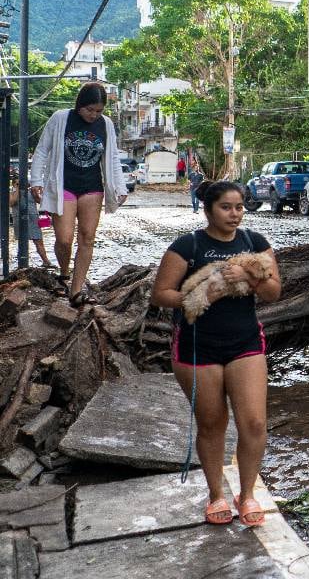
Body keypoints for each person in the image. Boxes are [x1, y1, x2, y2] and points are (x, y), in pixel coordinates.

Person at [150, 180, 281, 527]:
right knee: (212, 424)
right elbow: (160, 294)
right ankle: (216, 496)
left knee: (253, 422)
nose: (234, 214)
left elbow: (273, 292)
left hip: (245, 344)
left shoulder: (255, 243)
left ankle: (248, 494)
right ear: (208, 209)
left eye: (239, 207)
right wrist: (202, 294)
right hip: (197, 346)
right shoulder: (188, 245)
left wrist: (249, 278)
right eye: (226, 207)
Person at [30, 82, 130, 306]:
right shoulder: (60, 118)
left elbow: (112, 157)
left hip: (92, 187)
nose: (94, 115)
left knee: (87, 237)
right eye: (90, 110)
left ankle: (76, 291)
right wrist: (36, 180)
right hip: (63, 185)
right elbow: (42, 149)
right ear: (79, 105)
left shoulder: (106, 124)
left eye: (99, 111)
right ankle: (64, 272)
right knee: (64, 239)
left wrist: (120, 187)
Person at [8, 173, 53, 268]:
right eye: (17, 183)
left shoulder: (30, 192)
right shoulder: (11, 193)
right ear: (13, 184)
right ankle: (23, 262)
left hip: (33, 218)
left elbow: (40, 201)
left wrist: (35, 191)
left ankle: (46, 261)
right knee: (22, 242)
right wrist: (18, 189)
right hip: (19, 220)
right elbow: (12, 202)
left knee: (38, 240)